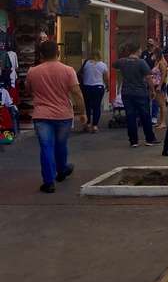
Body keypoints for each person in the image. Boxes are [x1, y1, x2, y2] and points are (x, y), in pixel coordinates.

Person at [26, 41, 87, 193]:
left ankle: (48, 182)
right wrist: (82, 112)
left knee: (46, 147)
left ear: (41, 55)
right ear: (58, 54)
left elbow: (29, 90)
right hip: (63, 115)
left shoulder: (32, 71)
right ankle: (61, 170)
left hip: (41, 115)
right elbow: (77, 93)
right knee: (61, 145)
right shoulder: (68, 70)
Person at [113, 42, 160, 148]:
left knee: (130, 116)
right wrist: (152, 90)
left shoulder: (122, 61)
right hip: (140, 93)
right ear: (137, 50)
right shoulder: (141, 62)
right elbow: (148, 77)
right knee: (145, 116)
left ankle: (133, 141)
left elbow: (114, 64)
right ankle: (149, 138)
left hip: (126, 93)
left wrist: (123, 54)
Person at [80, 50, 108, 133]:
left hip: (87, 87)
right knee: (97, 106)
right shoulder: (103, 65)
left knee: (87, 106)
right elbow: (106, 78)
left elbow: (82, 73)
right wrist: (107, 85)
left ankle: (88, 124)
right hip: (98, 87)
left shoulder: (86, 64)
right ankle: (95, 125)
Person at [150, 47, 168, 130]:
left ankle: (163, 122)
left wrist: (160, 85)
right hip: (155, 84)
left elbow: (164, 75)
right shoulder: (156, 62)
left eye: (154, 53)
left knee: (162, 104)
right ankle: (161, 121)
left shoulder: (162, 63)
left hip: (159, 85)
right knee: (159, 104)